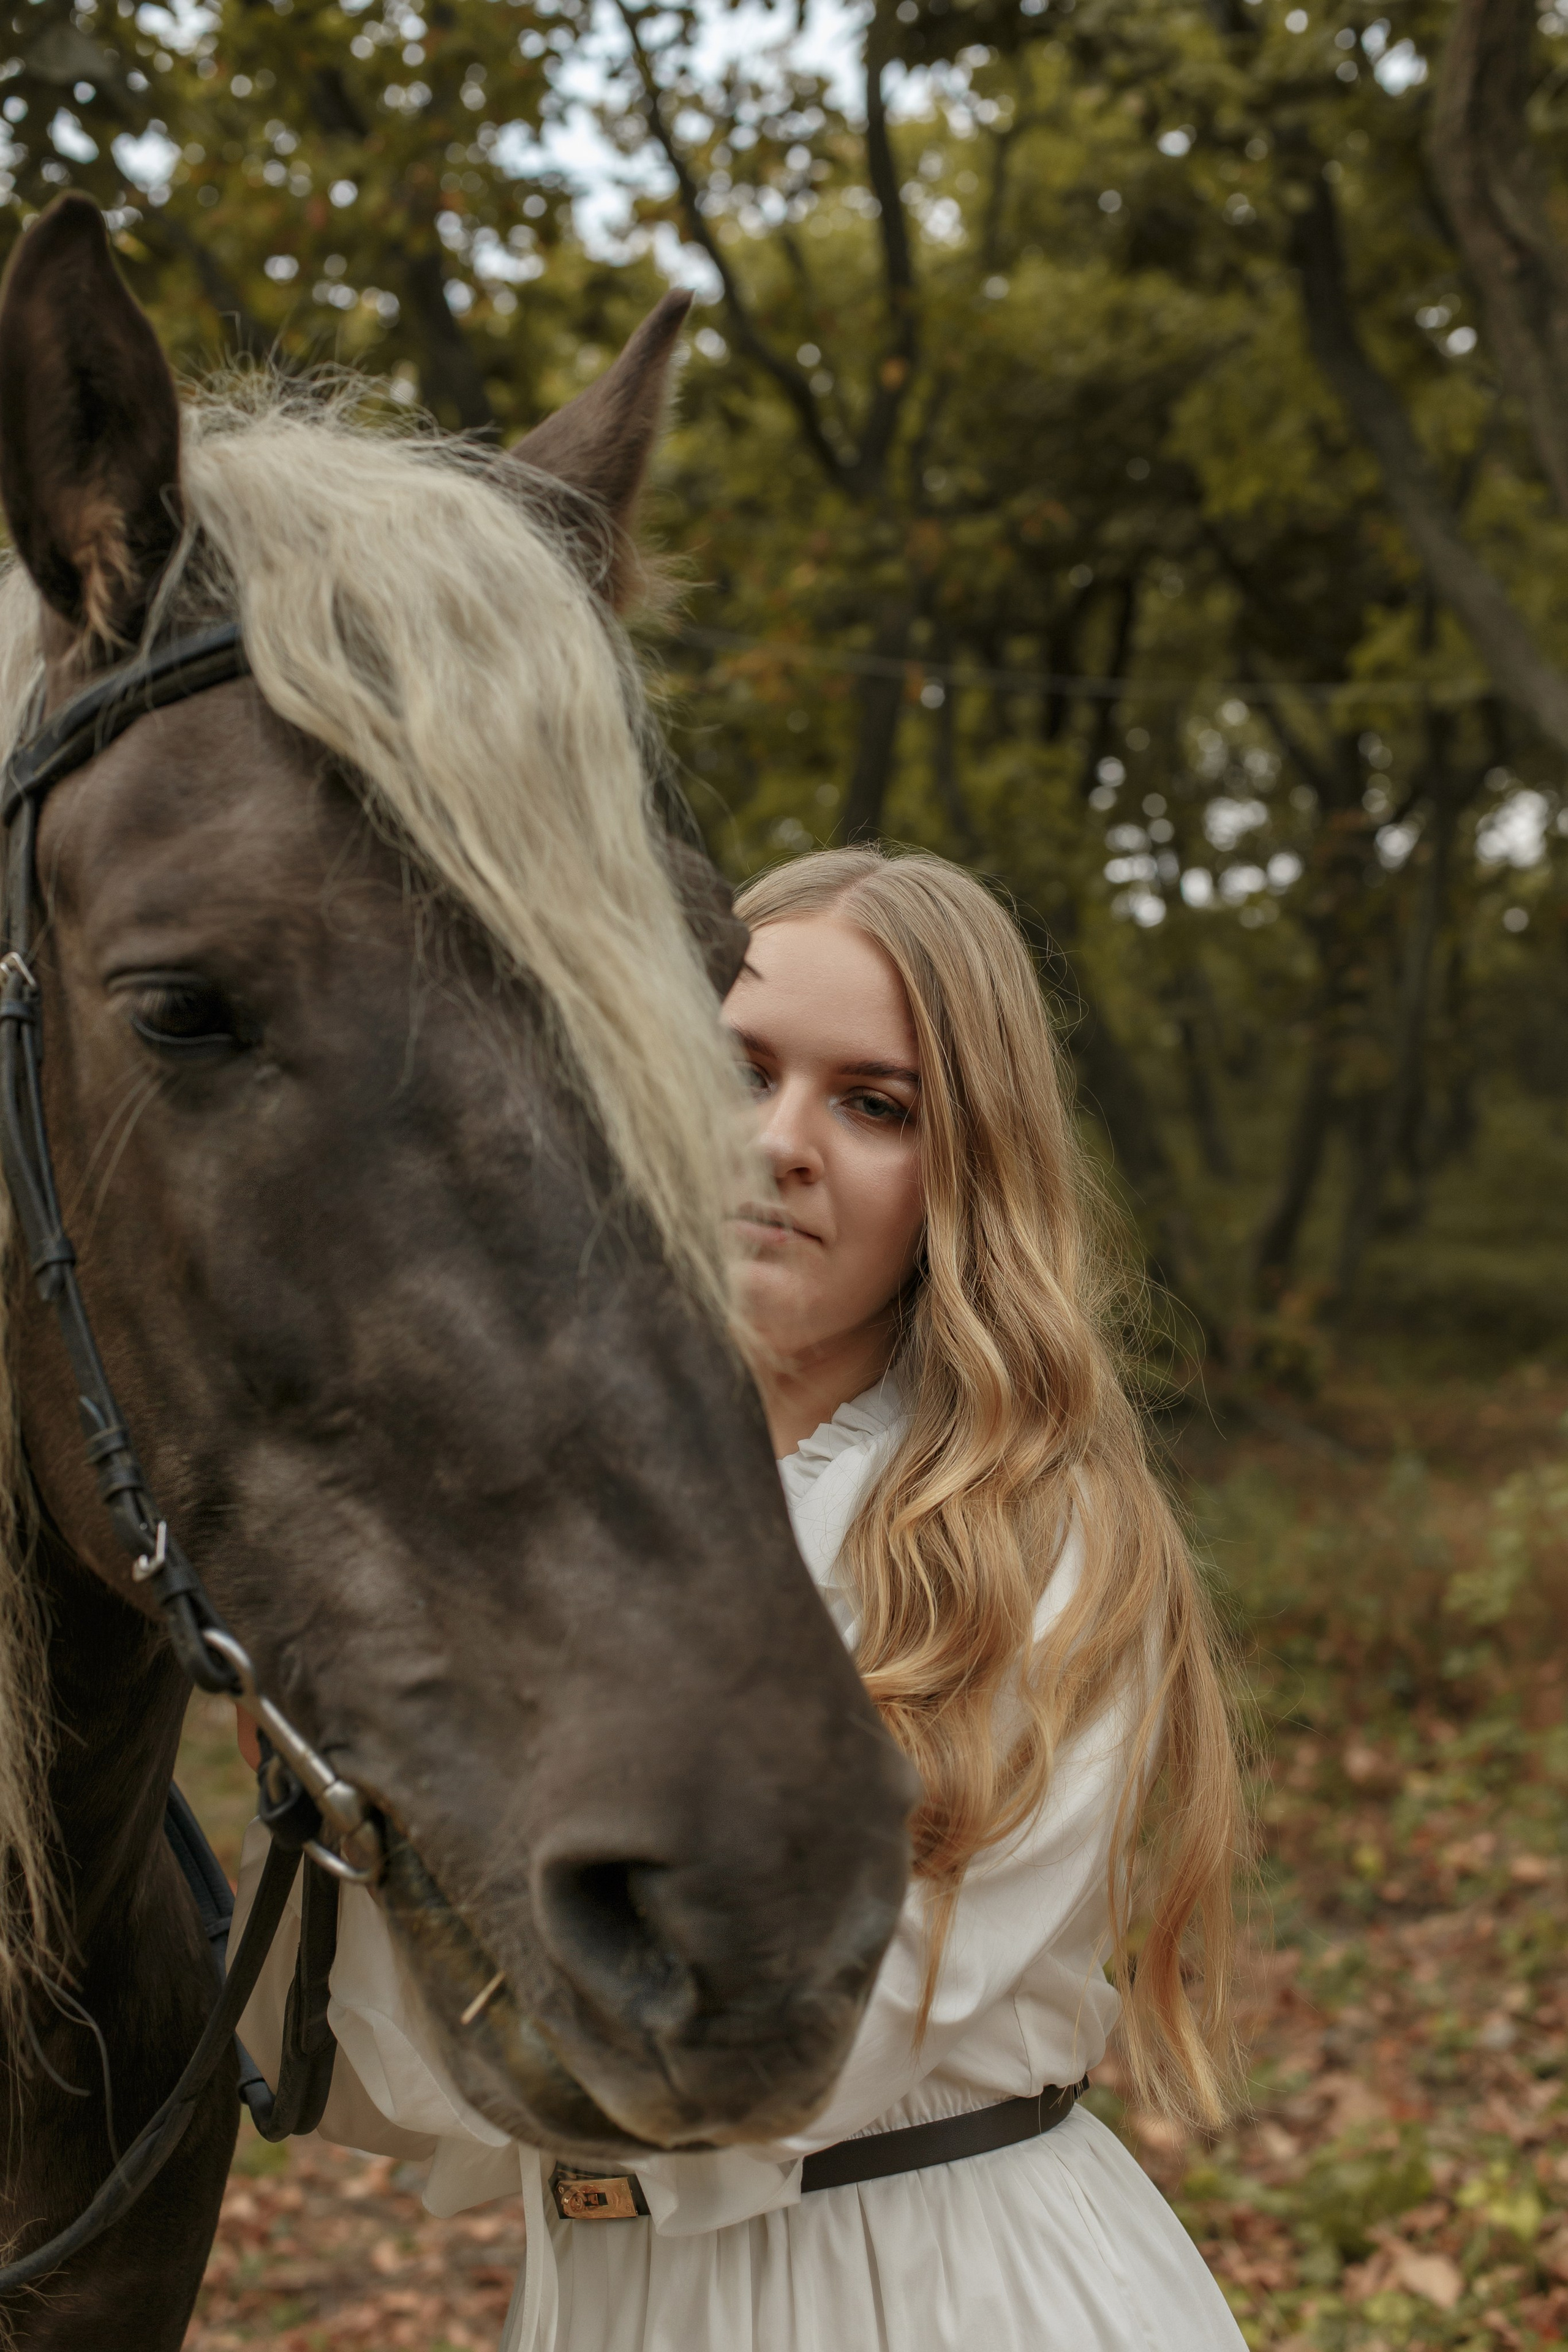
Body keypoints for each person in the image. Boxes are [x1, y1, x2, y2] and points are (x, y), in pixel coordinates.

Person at [233, 844, 1248, 2351]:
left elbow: (780, 2058)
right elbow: (373, 2081)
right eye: (737, 1067)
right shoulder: (528, 1515)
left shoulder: (1031, 1536)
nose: (779, 1141)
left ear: (961, 1172)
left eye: (873, 1103)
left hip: (935, 2296)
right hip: (603, 2309)